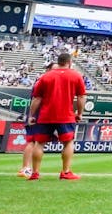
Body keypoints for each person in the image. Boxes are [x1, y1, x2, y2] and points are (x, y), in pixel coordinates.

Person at [25, 51, 87, 181]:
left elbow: (37, 98)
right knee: (68, 142)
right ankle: (65, 172)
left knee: (39, 143)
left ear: (58, 62)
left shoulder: (46, 76)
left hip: (45, 115)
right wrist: (80, 113)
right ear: (69, 63)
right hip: (66, 115)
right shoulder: (76, 75)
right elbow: (81, 97)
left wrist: (31, 115)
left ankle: (35, 173)